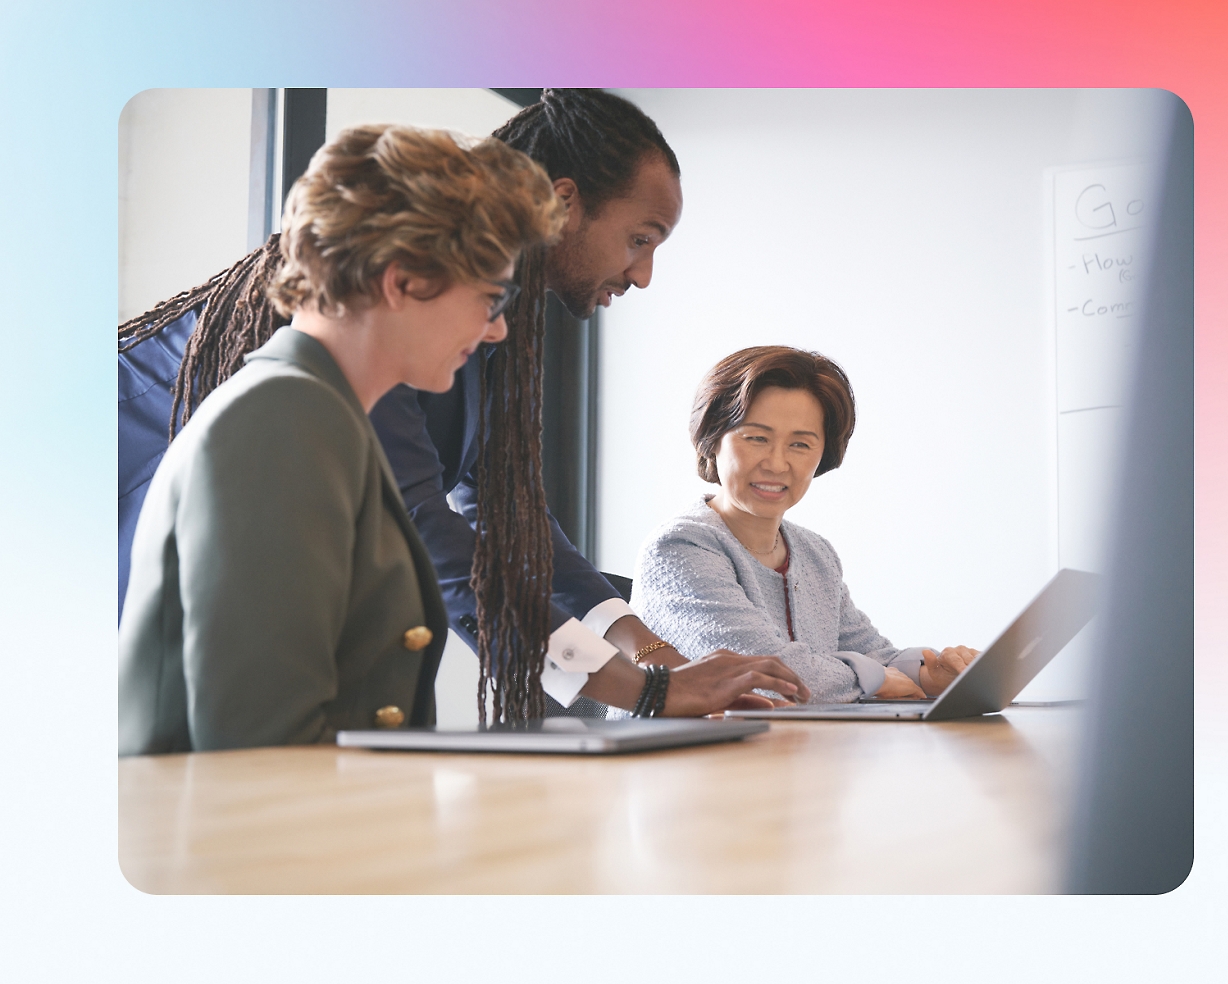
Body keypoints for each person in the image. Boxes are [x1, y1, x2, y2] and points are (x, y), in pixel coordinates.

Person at [118, 89, 809, 724]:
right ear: (402, 282)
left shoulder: (454, 334)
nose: (642, 274)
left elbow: (508, 517)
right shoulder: (306, 391)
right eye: (640, 238)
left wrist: (641, 645)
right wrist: (645, 689)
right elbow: (432, 540)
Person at [120, 125, 561, 753]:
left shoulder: (312, 412)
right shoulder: (283, 423)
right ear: (402, 279)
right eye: (491, 299)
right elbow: (262, 754)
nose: (496, 332)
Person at [632, 346, 980, 704]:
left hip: (786, 751)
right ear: (712, 439)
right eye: (756, 438)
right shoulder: (679, 547)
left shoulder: (814, 553)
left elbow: (871, 655)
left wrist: (933, 675)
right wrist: (874, 678)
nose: (777, 463)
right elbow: (764, 675)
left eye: (800, 444)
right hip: (685, 756)